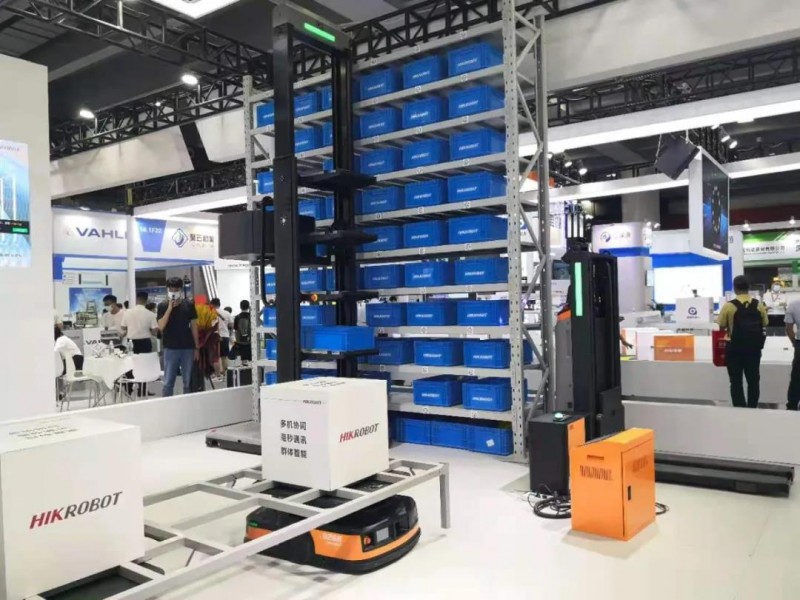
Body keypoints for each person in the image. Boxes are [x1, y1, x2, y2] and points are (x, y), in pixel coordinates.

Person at [717, 275, 768, 409]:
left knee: (735, 381)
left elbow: (721, 326)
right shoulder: (759, 305)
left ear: (734, 288)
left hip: (734, 349)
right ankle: (752, 407)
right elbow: (765, 323)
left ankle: (739, 408)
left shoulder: (729, 306)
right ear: (749, 287)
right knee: (753, 381)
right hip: (754, 349)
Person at [157, 278, 199, 397]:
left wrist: (197, 347)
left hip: (187, 346)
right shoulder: (162, 306)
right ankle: (167, 403)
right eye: (171, 289)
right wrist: (169, 309)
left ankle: (187, 402)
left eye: (176, 289)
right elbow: (161, 326)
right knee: (168, 381)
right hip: (170, 347)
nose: (173, 291)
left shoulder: (189, 304)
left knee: (188, 381)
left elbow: (194, 326)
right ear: (167, 290)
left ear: (181, 289)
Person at [211, 298, 233, 375]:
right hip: (225, 336)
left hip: (213, 337)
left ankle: (217, 374)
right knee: (224, 357)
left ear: (212, 304)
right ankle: (225, 373)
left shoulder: (210, 312)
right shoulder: (226, 313)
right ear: (219, 304)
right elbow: (231, 325)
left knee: (215, 357)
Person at [785, 297, 800, 410]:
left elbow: (789, 328)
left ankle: (792, 405)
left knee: (797, 377)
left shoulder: (794, 305)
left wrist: (795, 344)